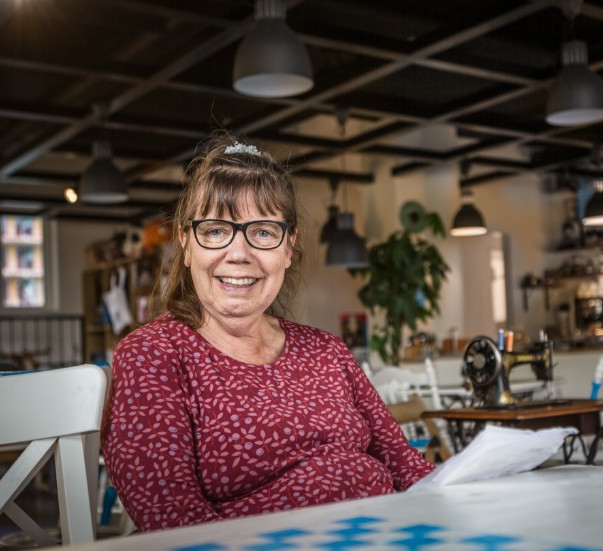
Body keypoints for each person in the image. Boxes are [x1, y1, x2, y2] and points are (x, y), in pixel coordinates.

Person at [101, 137, 435, 532]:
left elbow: (409, 468)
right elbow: (173, 521)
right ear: (186, 244)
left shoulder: (326, 349)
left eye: (262, 232)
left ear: (288, 248)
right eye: (215, 230)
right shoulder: (152, 354)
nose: (239, 253)